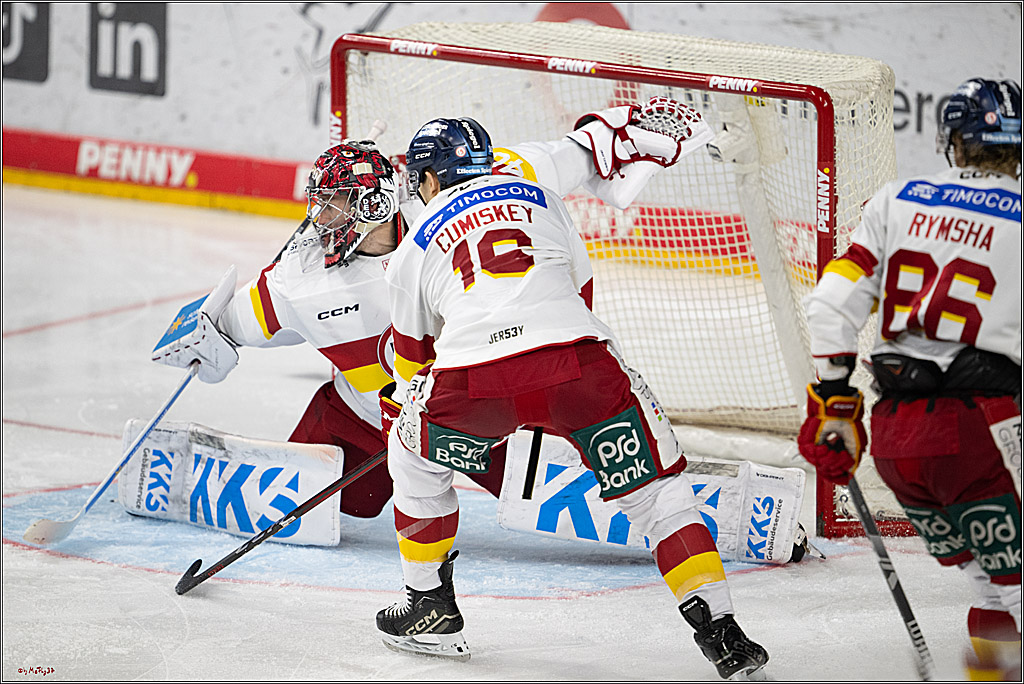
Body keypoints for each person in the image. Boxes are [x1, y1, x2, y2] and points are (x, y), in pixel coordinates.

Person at [375, 114, 769, 680]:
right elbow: (580, 290)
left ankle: (429, 604)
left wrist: (424, 416)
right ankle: (721, 630)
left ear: (431, 179)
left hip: (474, 383)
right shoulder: (539, 195)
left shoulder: (413, 245)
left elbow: (413, 362)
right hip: (580, 365)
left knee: (410, 454)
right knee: (659, 497)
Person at [797, 77, 1021, 680]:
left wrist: (835, 408)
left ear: (952, 140)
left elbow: (828, 307)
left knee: (993, 589)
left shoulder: (895, 201)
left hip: (902, 445)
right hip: (988, 433)